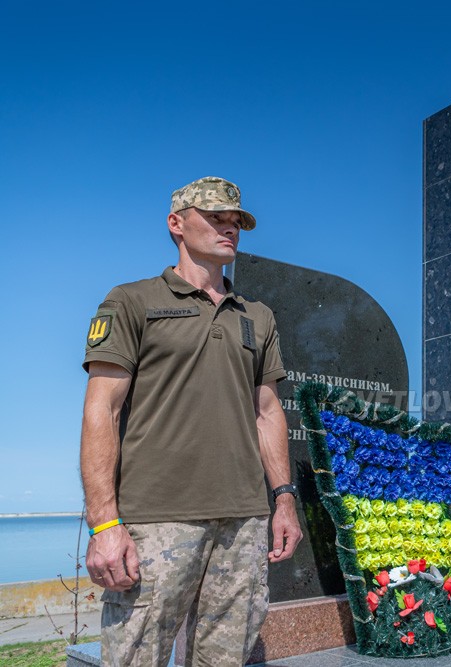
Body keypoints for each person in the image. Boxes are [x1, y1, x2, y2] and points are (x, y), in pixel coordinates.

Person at [80, 176, 303, 666]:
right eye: (216, 217)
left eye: (237, 221)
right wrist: (104, 525)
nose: (230, 229)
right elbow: (102, 410)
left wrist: (283, 500)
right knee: (135, 659)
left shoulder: (258, 317)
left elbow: (267, 414)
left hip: (243, 520)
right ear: (176, 223)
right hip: (156, 518)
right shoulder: (131, 301)